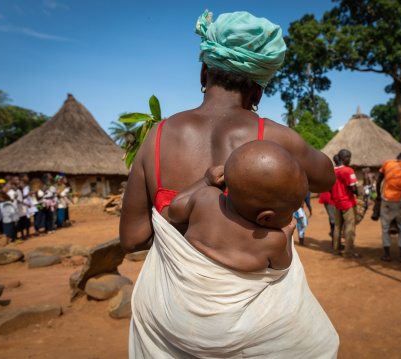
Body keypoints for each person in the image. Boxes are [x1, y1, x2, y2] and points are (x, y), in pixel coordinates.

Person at [120, 10, 338, 358]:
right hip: (261, 330)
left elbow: (132, 240)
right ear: (258, 89)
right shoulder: (278, 139)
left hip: (171, 322)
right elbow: (326, 176)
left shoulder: (155, 138)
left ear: (204, 71)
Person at [169, 141, 304, 270]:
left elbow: (173, 210)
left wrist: (205, 181)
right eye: (290, 212)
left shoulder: (205, 197)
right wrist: (287, 234)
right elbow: (283, 265)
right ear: (266, 217)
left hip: (189, 284)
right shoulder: (274, 240)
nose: (291, 217)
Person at [376, 151, 401, 263]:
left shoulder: (387, 163)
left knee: (385, 227)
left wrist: (379, 194)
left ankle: (387, 255)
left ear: (397, 157)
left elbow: (379, 180)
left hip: (386, 200)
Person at [331, 149, 361, 259]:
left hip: (337, 202)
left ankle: (336, 250)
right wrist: (358, 192)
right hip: (348, 202)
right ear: (345, 158)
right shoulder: (348, 170)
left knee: (337, 227)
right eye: (349, 157)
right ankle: (348, 252)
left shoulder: (332, 171)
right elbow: (353, 188)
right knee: (350, 228)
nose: (350, 160)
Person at [319, 154, 339, 241]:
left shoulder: (331, 170)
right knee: (333, 220)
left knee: (334, 219)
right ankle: (334, 242)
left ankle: (335, 241)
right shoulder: (333, 171)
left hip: (330, 197)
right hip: (330, 198)